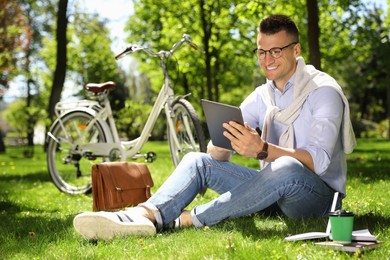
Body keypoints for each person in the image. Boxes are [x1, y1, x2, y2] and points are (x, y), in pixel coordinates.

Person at [73, 14, 356, 240]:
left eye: (276, 51)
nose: (267, 60)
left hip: (317, 199)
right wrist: (223, 143)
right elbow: (218, 153)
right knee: (197, 160)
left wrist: (262, 149)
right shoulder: (263, 95)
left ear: (296, 50)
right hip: (271, 195)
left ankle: (191, 218)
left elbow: (317, 162)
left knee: (286, 166)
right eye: (261, 51)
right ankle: (146, 215)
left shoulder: (323, 92)